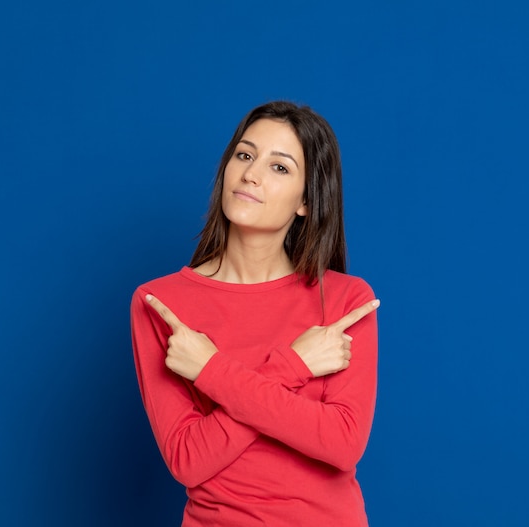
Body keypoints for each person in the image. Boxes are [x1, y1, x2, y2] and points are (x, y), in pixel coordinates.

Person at [130, 101, 380, 526]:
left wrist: (211, 370)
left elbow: (342, 444)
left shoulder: (344, 301)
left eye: (279, 167)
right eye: (244, 155)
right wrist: (295, 364)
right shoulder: (160, 304)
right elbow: (188, 460)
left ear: (306, 201)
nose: (251, 173)